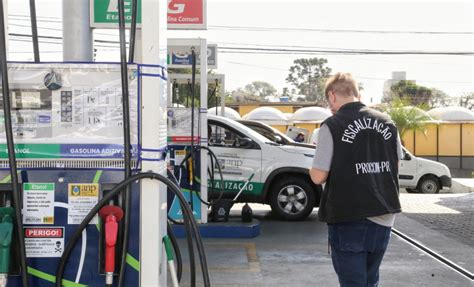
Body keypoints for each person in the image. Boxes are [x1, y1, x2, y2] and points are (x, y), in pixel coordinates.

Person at [309, 73, 403, 287]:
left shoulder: (332, 125)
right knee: (370, 280)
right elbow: (395, 166)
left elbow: (318, 176)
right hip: (384, 216)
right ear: (356, 93)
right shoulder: (388, 123)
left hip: (348, 217)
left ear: (332, 95)